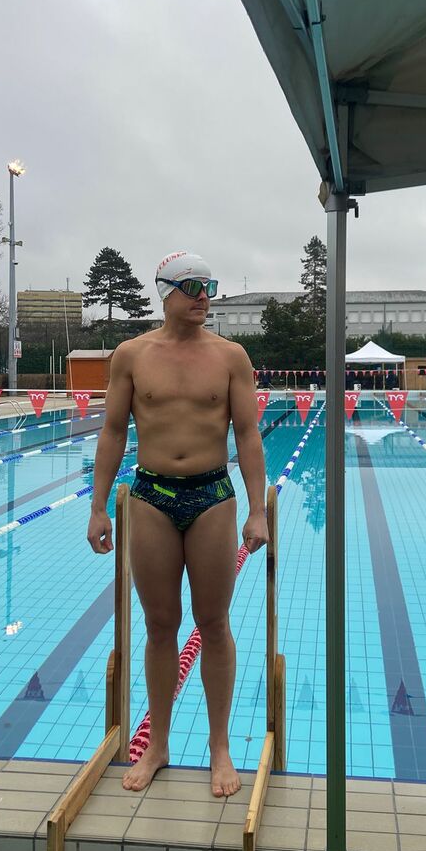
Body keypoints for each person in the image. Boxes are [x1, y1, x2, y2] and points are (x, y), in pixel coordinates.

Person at [87, 252, 268, 798]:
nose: (203, 296)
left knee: (213, 623)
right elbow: (113, 431)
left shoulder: (231, 356)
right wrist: (98, 506)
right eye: (192, 286)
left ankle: (219, 746)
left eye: (208, 285)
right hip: (152, 496)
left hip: (212, 495)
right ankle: (158, 744)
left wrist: (257, 509)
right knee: (160, 625)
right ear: (165, 291)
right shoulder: (132, 355)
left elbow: (248, 435)